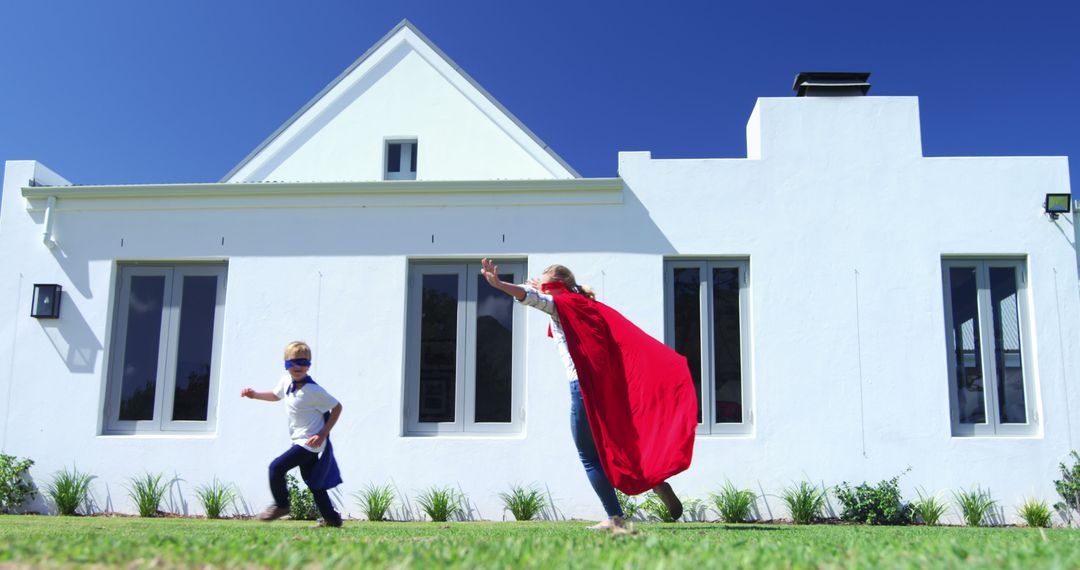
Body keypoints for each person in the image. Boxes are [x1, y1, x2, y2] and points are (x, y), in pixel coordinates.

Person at [480, 259, 695, 531]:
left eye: (543, 283)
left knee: (589, 455)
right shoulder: (583, 304)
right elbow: (534, 291)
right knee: (615, 443)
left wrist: (499, 285)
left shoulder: (563, 306)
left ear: (555, 287)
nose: (539, 287)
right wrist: (533, 285)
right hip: (600, 389)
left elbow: (531, 298)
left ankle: (615, 518)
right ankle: (653, 481)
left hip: (581, 389)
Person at [241, 341, 344, 528]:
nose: (298, 367)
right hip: (298, 440)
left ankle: (281, 505)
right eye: (293, 362)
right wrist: (254, 394)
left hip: (310, 442)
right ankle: (332, 519)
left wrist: (322, 434)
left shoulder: (313, 390)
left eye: (304, 363)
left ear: (309, 365)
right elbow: (275, 395)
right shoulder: (286, 382)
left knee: (276, 468)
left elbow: (337, 407)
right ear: (286, 364)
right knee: (314, 483)